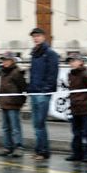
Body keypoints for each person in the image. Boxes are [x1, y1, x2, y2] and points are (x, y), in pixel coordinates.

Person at [27, 27, 59, 160]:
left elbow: (53, 73)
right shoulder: (34, 53)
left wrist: (46, 89)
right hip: (34, 92)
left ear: (43, 37)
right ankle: (39, 149)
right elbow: (33, 73)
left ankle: (43, 151)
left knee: (40, 123)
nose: (36, 38)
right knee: (36, 124)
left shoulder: (50, 53)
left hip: (43, 93)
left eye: (38, 35)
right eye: (34, 36)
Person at [65, 53, 87, 162]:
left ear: (80, 62)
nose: (72, 63)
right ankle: (77, 152)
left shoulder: (85, 74)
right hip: (74, 106)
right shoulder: (70, 75)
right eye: (70, 61)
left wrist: (86, 100)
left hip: (84, 107)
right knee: (76, 131)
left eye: (74, 60)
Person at [0, 51, 27, 157]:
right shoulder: (3, 72)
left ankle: (18, 147)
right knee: (5, 127)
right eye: (4, 60)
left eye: (7, 60)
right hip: (4, 103)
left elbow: (23, 87)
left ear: (12, 61)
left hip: (13, 104)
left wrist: (20, 100)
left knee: (15, 127)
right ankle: (7, 147)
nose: (5, 62)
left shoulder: (16, 72)